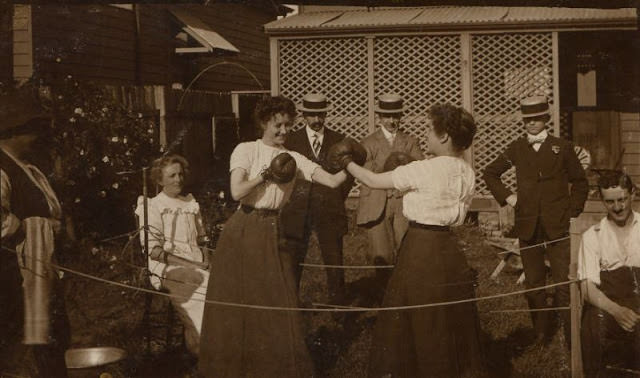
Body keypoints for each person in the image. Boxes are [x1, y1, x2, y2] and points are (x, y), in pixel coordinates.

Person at [329, 103, 486, 377]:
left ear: (444, 137)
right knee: (446, 317)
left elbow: (372, 180)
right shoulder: (467, 172)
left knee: (412, 316)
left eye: (429, 130)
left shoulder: (424, 169)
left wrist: (347, 162)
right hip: (449, 249)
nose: (425, 135)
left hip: (420, 247)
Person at [198, 95, 350, 377]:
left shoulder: (294, 158)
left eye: (288, 126)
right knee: (242, 299)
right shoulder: (246, 150)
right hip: (243, 228)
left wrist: (352, 161)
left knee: (278, 299)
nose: (283, 131)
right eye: (277, 125)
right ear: (264, 123)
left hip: (273, 229)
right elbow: (237, 191)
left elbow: (331, 181)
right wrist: (266, 175)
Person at [483, 96, 588, 345]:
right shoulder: (517, 148)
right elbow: (491, 173)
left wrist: (572, 211)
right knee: (534, 283)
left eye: (537, 119)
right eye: (527, 119)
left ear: (547, 119)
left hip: (558, 224)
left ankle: (572, 336)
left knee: (563, 283)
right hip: (528, 225)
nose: (532, 123)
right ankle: (541, 335)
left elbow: (580, 182)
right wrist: (510, 199)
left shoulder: (562, 147)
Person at [0, 84, 70, 377]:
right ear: (15, 132)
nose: (38, 137)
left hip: (41, 272)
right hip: (14, 281)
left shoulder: (28, 167)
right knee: (21, 351)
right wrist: (17, 227)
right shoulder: (2, 168)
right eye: (34, 129)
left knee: (52, 340)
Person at [281, 93, 354, 304]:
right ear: (303, 115)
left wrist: (336, 196)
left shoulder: (339, 140)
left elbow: (347, 176)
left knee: (334, 263)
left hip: (329, 210)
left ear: (326, 114)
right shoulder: (291, 141)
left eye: (320, 114)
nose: (316, 120)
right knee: (293, 263)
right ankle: (291, 310)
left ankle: (338, 311)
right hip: (297, 211)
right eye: (311, 115)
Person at [135, 154, 209, 356]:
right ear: (160, 180)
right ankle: (202, 351)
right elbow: (155, 251)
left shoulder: (190, 203)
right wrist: (192, 265)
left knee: (221, 286)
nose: (178, 179)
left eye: (180, 174)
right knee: (201, 293)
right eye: (172, 175)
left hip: (197, 264)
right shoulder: (153, 206)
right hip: (167, 266)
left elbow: (203, 240)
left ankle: (209, 346)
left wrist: (206, 262)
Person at [356, 94, 423, 293]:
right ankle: (383, 295)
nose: (392, 121)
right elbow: (365, 173)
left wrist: (402, 162)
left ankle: (404, 293)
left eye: (396, 116)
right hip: (377, 201)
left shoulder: (410, 141)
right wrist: (394, 164)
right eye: (387, 117)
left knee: (406, 247)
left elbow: (418, 167)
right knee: (381, 252)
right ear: (379, 118)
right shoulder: (368, 142)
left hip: (403, 201)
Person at [578, 171, 640, 377]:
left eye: (622, 199)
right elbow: (587, 288)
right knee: (593, 325)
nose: (617, 207)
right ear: (602, 201)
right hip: (608, 303)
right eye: (610, 202)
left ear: (632, 194)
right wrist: (617, 311)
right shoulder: (592, 236)